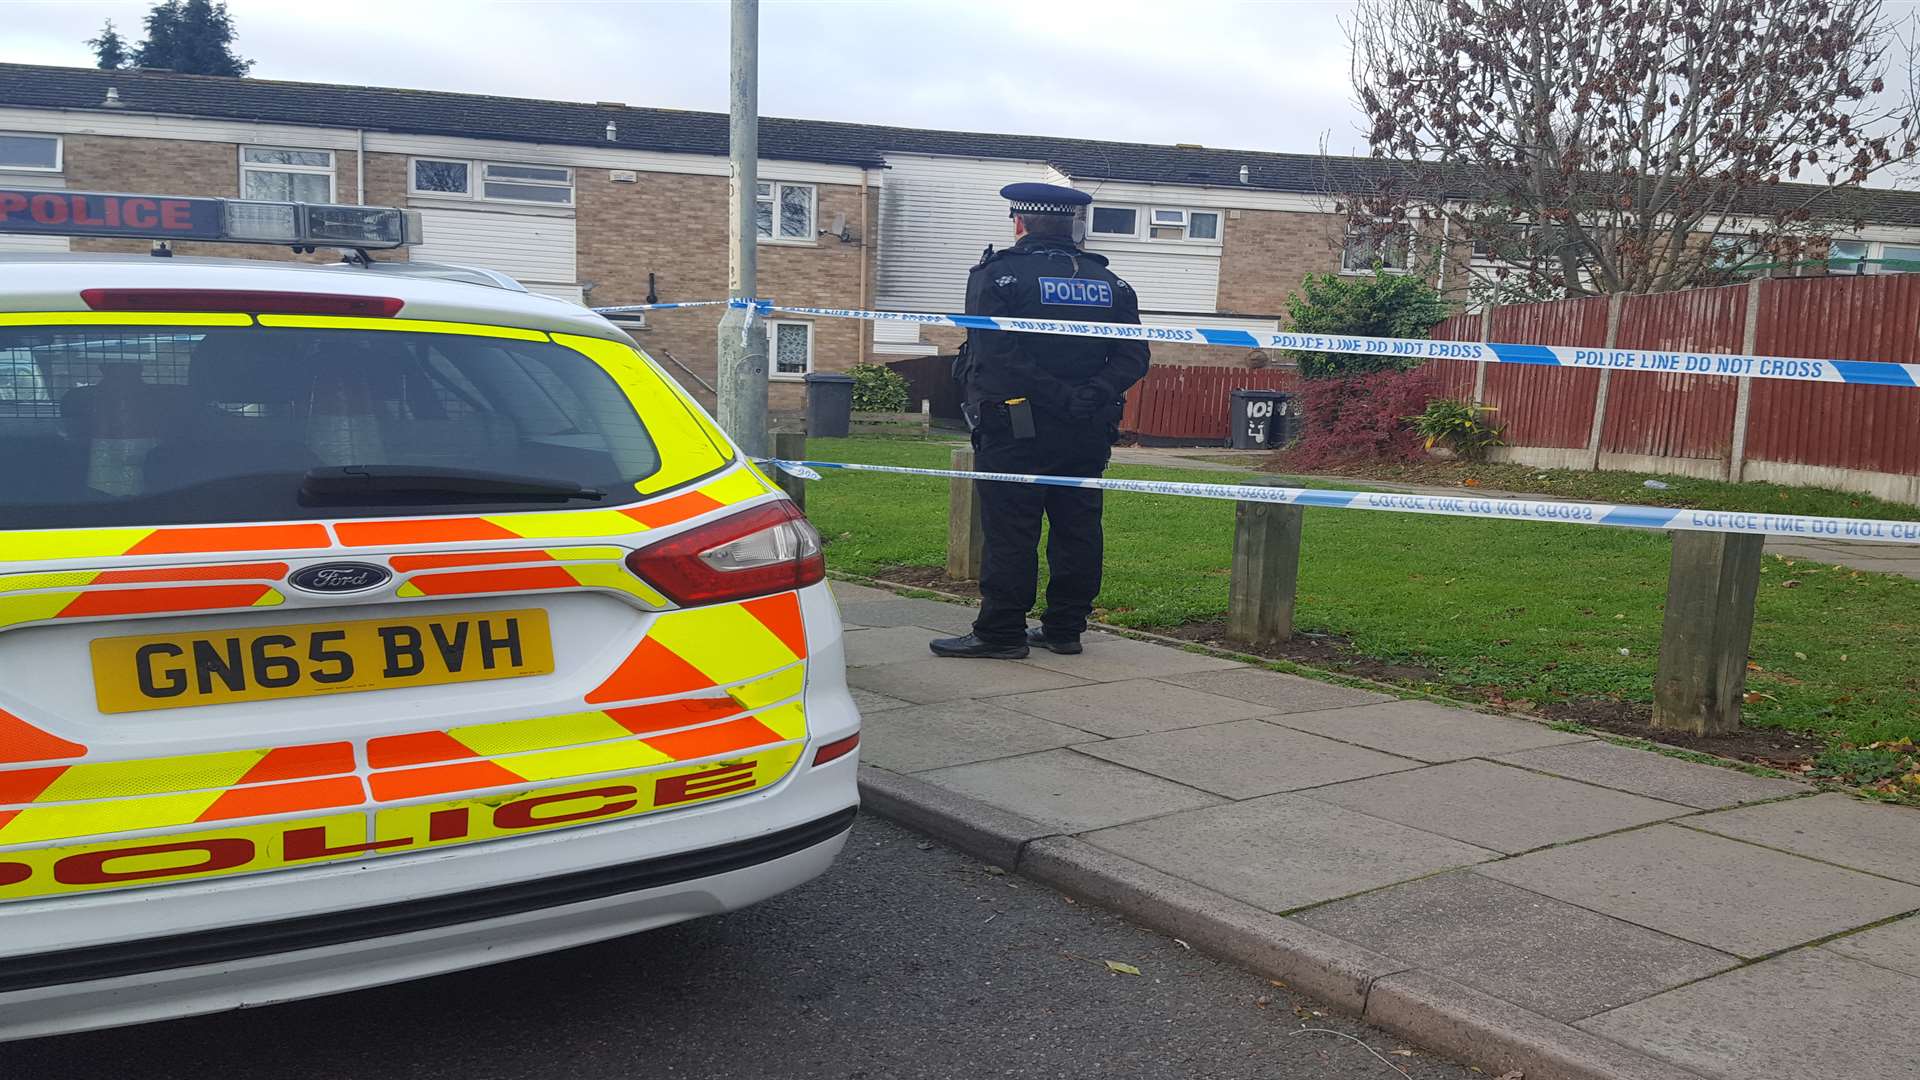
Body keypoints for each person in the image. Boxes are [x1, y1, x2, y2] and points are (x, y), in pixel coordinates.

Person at [930, 183, 1151, 659]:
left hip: (1016, 422)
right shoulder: (1112, 285)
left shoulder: (998, 276)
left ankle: (1002, 632)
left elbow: (996, 352)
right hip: (1087, 425)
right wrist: (1088, 396)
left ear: (1019, 222)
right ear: (1075, 226)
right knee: (1078, 526)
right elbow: (1133, 356)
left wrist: (1055, 395)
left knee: (1012, 527)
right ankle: (1066, 628)